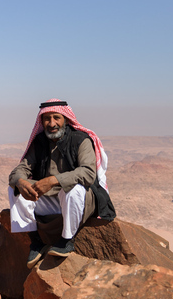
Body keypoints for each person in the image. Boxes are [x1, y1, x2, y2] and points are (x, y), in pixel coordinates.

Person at [8, 99, 116, 268]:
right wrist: (21, 182)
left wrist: (54, 180)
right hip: (56, 200)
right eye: (47, 119)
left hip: (82, 200)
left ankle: (67, 240)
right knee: (15, 188)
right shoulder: (40, 142)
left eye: (56, 118)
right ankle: (36, 242)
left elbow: (88, 173)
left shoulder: (81, 140)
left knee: (74, 190)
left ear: (65, 118)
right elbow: (19, 170)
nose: (52, 123)